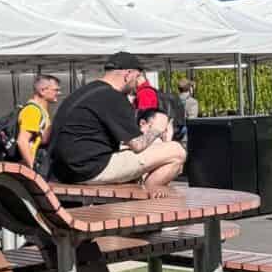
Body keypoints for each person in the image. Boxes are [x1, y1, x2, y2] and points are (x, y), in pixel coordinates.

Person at [48, 52, 187, 194]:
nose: (138, 83)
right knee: (176, 151)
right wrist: (157, 128)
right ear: (128, 74)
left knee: (164, 159)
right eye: (137, 77)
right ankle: (145, 199)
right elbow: (138, 145)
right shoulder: (114, 97)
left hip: (64, 170)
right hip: (88, 169)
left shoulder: (83, 93)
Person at [15, 75, 61, 170]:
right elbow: (22, 141)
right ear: (42, 91)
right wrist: (32, 169)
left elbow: (42, 139)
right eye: (55, 90)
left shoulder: (41, 111)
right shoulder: (32, 111)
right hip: (31, 168)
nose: (59, 93)